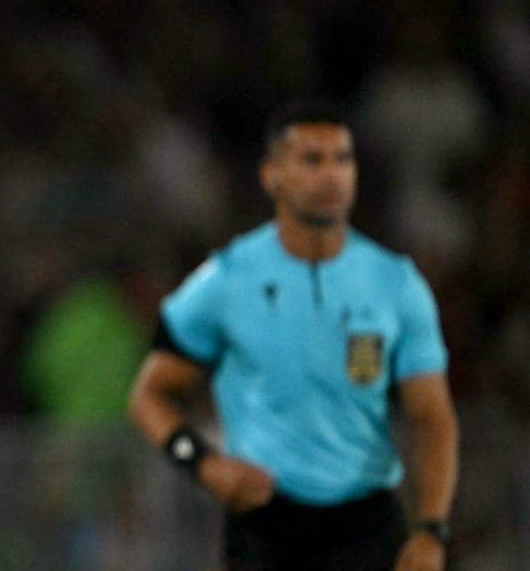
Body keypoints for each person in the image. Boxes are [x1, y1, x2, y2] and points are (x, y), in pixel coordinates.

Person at [127, 100, 459, 571]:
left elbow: (433, 419)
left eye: (343, 159)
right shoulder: (227, 279)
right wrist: (204, 464)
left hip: (366, 525)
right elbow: (148, 395)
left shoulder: (396, 284)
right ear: (272, 175)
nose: (332, 176)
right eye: (312, 160)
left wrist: (431, 529)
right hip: (267, 527)